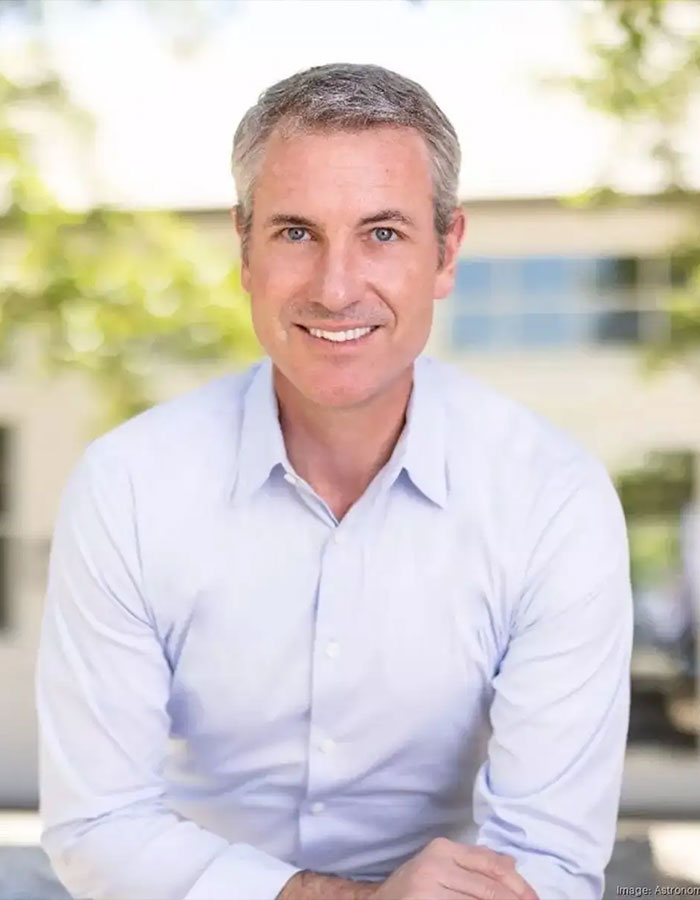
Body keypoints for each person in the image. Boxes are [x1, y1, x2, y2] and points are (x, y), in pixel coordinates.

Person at [35, 63, 633, 900]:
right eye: (295, 233)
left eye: (382, 233)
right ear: (245, 248)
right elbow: (96, 826)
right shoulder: (128, 487)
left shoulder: (552, 501)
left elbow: (550, 862)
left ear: (447, 251)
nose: (337, 287)